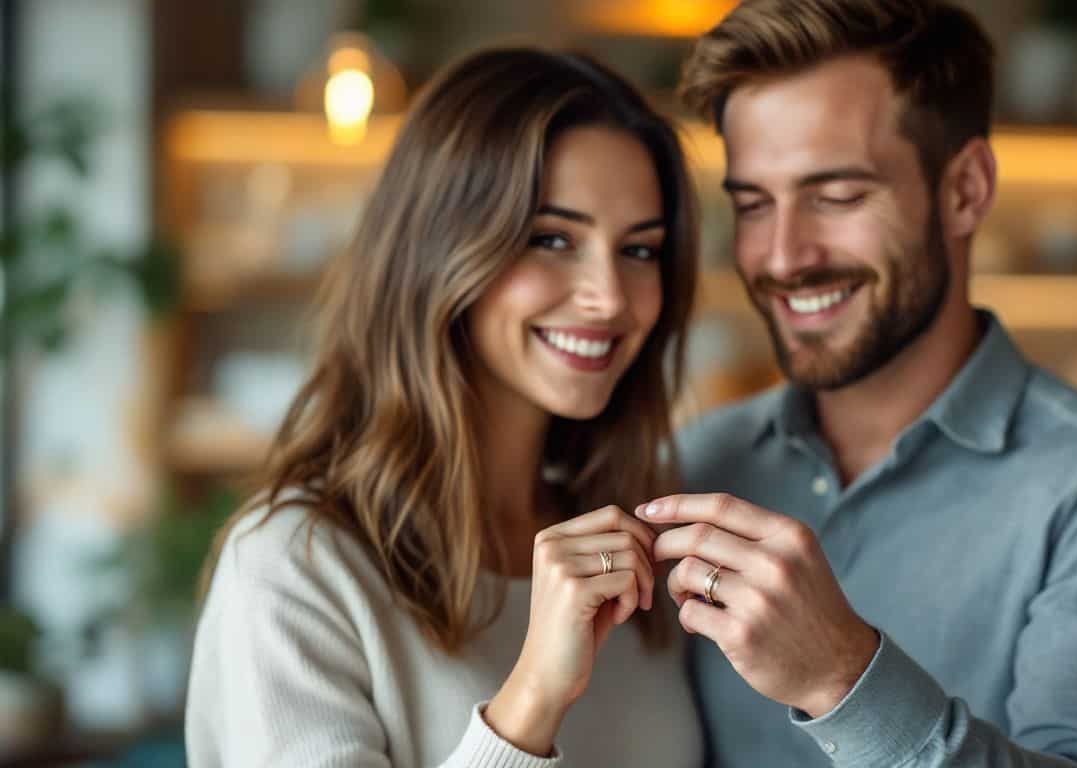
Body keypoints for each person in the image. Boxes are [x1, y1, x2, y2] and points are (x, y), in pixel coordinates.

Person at [632, 1, 1077, 766]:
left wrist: (845, 678)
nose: (783, 256)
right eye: (752, 205)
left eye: (836, 196)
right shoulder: (696, 462)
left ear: (966, 190)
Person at [185, 47, 703, 767]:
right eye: (552, 239)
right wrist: (530, 704)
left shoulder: (641, 550)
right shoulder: (295, 568)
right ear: (440, 250)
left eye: (640, 251)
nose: (610, 297)